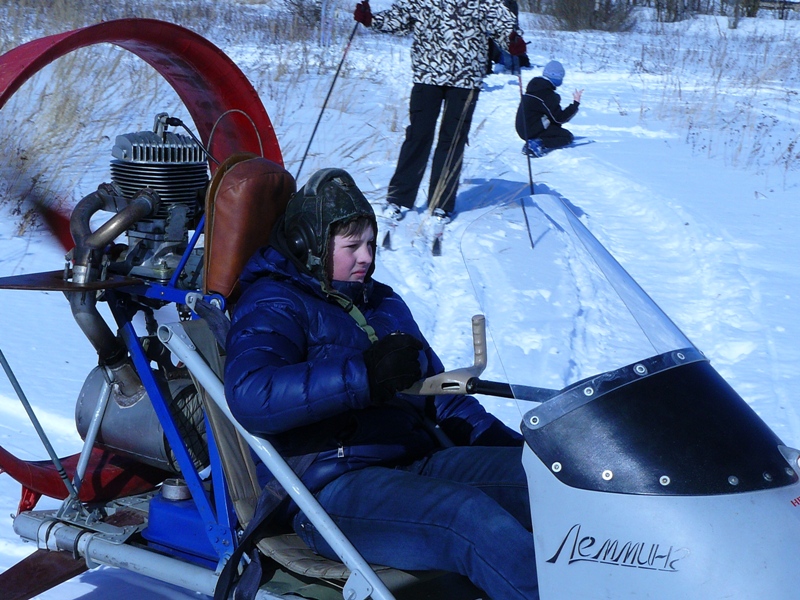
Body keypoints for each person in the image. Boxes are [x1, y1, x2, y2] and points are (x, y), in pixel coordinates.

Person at [225, 168, 539, 600]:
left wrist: (505, 445)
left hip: (415, 460)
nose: (367, 257)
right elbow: (252, 393)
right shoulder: (275, 302)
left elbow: (437, 394)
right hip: (328, 487)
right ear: (309, 246)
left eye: (371, 244)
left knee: (548, 484)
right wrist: (363, 377)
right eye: (352, 246)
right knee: (464, 517)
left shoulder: (383, 302)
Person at [353, 0, 527, 223]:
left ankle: (441, 204)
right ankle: (398, 198)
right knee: (418, 136)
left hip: (466, 79)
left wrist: (512, 40)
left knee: (452, 140)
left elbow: (503, 23)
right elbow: (400, 17)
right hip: (427, 75)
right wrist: (371, 19)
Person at [516, 60, 583, 157]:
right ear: (558, 77)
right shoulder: (548, 95)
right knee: (567, 137)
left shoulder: (534, 87)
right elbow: (559, 119)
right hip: (530, 130)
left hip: (523, 127)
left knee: (556, 129)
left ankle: (535, 141)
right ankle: (537, 144)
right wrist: (575, 104)